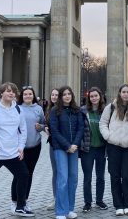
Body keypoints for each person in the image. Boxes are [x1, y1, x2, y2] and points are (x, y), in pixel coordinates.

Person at [0, 82, 32, 218]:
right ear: (1, 93)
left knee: (24, 175)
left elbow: (23, 130)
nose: (11, 93)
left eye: (13, 91)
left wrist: (21, 147)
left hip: (13, 154)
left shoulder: (18, 110)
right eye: (8, 91)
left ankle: (20, 207)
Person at [99, 84, 128, 216]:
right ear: (119, 93)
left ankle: (127, 204)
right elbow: (103, 123)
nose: (126, 94)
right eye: (124, 92)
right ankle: (118, 205)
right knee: (115, 176)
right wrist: (108, 136)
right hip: (113, 145)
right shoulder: (111, 107)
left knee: (127, 176)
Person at [49, 85, 84, 219]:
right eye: (64, 94)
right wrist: (67, 145)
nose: (67, 96)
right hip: (60, 148)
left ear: (72, 96)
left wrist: (74, 144)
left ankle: (69, 209)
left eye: (69, 94)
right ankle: (60, 211)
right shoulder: (54, 110)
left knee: (73, 178)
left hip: (74, 148)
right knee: (62, 178)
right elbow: (54, 130)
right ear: (60, 97)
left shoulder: (77, 110)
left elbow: (81, 128)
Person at [13, 86, 46, 213]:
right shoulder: (16, 108)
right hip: (20, 148)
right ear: (22, 96)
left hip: (35, 146)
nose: (27, 96)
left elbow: (44, 124)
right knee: (19, 174)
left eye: (30, 94)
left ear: (33, 96)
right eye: (25, 94)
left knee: (29, 174)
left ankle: (24, 200)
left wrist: (41, 127)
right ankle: (15, 201)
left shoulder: (38, 109)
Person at [80, 87, 108, 213]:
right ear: (89, 98)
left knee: (100, 176)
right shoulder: (83, 111)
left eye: (96, 96)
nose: (94, 98)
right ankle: (87, 202)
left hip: (101, 148)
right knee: (87, 177)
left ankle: (99, 200)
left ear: (100, 96)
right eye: (91, 96)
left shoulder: (105, 111)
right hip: (88, 148)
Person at [45, 88, 59, 210]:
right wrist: (44, 127)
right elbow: (46, 123)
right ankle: (55, 198)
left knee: (62, 172)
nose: (54, 97)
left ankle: (61, 198)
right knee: (55, 171)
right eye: (52, 94)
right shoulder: (49, 109)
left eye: (56, 95)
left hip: (62, 145)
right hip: (52, 144)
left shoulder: (62, 109)